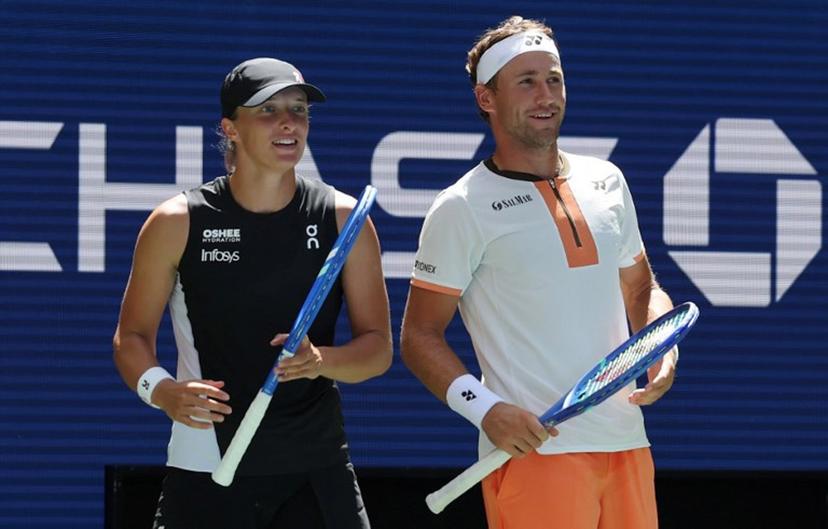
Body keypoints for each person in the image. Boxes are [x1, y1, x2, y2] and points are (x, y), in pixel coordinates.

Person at [400, 16, 677, 529]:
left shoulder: (607, 180)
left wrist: (661, 345)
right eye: (525, 81)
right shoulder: (460, 206)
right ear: (488, 98)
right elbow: (418, 336)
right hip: (535, 455)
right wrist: (485, 410)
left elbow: (640, 287)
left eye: (553, 78)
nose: (545, 94)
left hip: (627, 444)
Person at [113, 57, 392, 529]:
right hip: (205, 468)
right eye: (268, 110)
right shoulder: (176, 222)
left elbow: (378, 349)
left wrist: (320, 360)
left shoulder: (344, 219)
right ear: (231, 128)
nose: (289, 123)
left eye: (299, 110)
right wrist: (161, 391)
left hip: (316, 470)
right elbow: (131, 337)